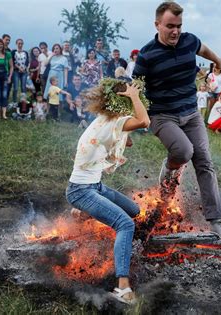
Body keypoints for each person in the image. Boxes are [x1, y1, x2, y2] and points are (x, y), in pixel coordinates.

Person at [133, 1, 221, 239]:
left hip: (191, 113)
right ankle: (169, 167)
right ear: (157, 24)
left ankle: (216, 220)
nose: (175, 31)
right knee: (183, 151)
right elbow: (135, 91)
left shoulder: (190, 40)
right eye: (170, 26)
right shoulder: (147, 55)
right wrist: (128, 125)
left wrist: (218, 62)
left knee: (204, 162)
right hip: (162, 116)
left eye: (179, 25)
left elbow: (205, 51)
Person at [66, 81, 150, 305]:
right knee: (126, 224)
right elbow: (144, 121)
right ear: (121, 102)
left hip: (96, 187)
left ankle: (83, 212)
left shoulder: (106, 120)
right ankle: (122, 287)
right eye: (127, 99)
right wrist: (135, 96)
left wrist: (124, 136)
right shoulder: (110, 122)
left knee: (134, 210)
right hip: (81, 190)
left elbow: (124, 139)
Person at [11, 39, 29, 103]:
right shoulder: (13, 52)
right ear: (16, 44)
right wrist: (19, 68)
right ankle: (14, 102)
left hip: (24, 72)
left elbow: (27, 62)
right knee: (15, 88)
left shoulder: (25, 52)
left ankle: (23, 102)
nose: (20, 45)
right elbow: (12, 62)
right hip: (16, 71)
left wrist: (24, 68)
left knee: (23, 88)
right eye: (19, 43)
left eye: (21, 43)